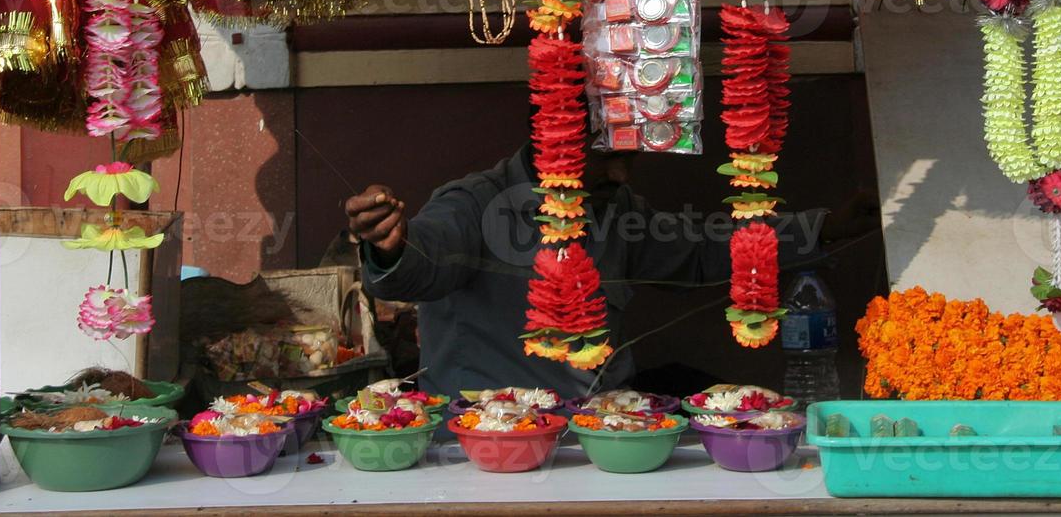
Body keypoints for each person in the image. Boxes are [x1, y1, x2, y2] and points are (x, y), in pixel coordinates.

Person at [344, 142, 848, 398]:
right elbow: (422, 262)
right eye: (604, 156)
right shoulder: (474, 203)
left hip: (603, 432)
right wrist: (393, 247)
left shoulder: (615, 208)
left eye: (628, 156)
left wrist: (824, 229)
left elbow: (701, 250)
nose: (620, 173)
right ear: (551, 134)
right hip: (488, 442)